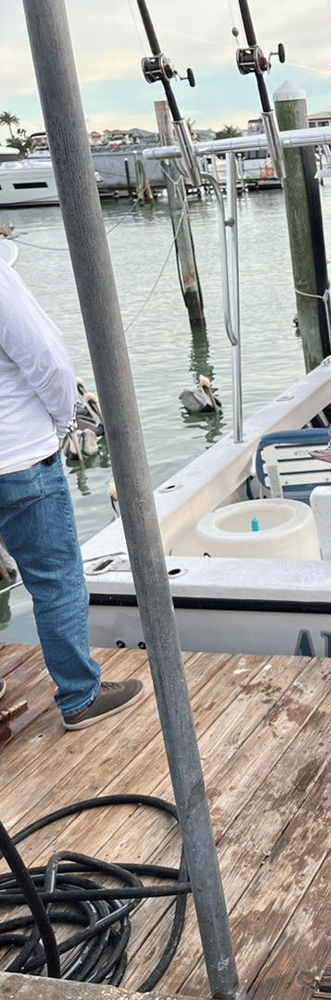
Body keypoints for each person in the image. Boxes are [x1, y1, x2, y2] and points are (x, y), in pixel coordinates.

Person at [0, 257, 143, 730]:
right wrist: (64, 423)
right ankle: (80, 696)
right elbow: (49, 361)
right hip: (18, 457)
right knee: (55, 578)